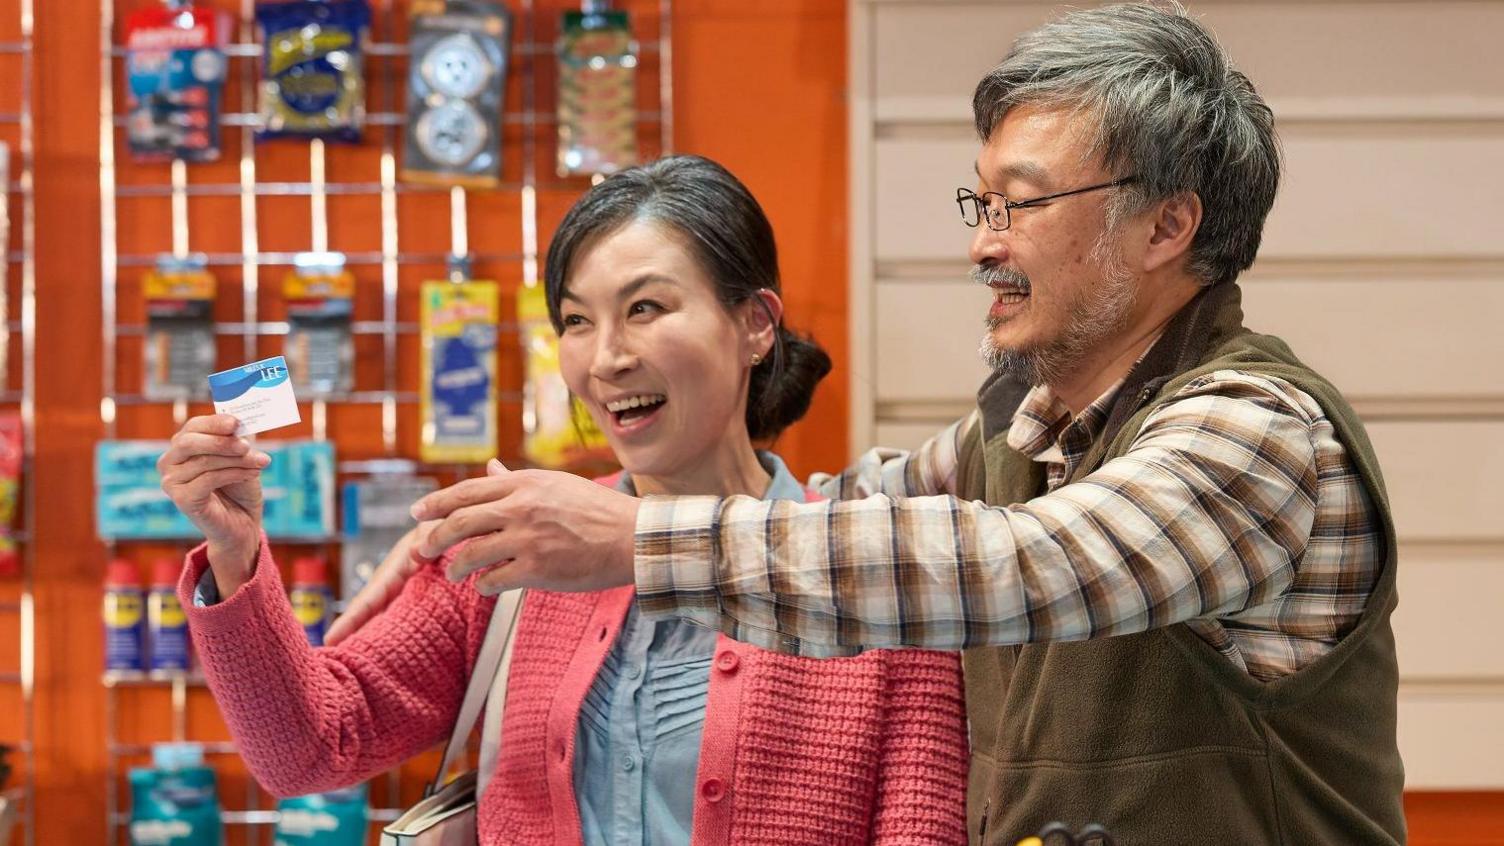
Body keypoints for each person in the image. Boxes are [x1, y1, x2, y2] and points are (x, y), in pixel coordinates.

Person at [388, 4, 1408, 844]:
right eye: (982, 205)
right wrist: (479, 530)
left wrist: (633, 540)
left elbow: (1025, 566)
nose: (983, 246)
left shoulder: (1256, 435)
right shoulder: (1024, 438)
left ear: (1167, 225)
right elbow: (849, 510)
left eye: (1021, 204)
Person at [157, 155, 969, 845]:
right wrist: (236, 554)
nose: (605, 358)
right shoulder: (516, 543)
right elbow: (309, 747)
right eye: (576, 320)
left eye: (645, 308)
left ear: (755, 324)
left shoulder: (874, 579)